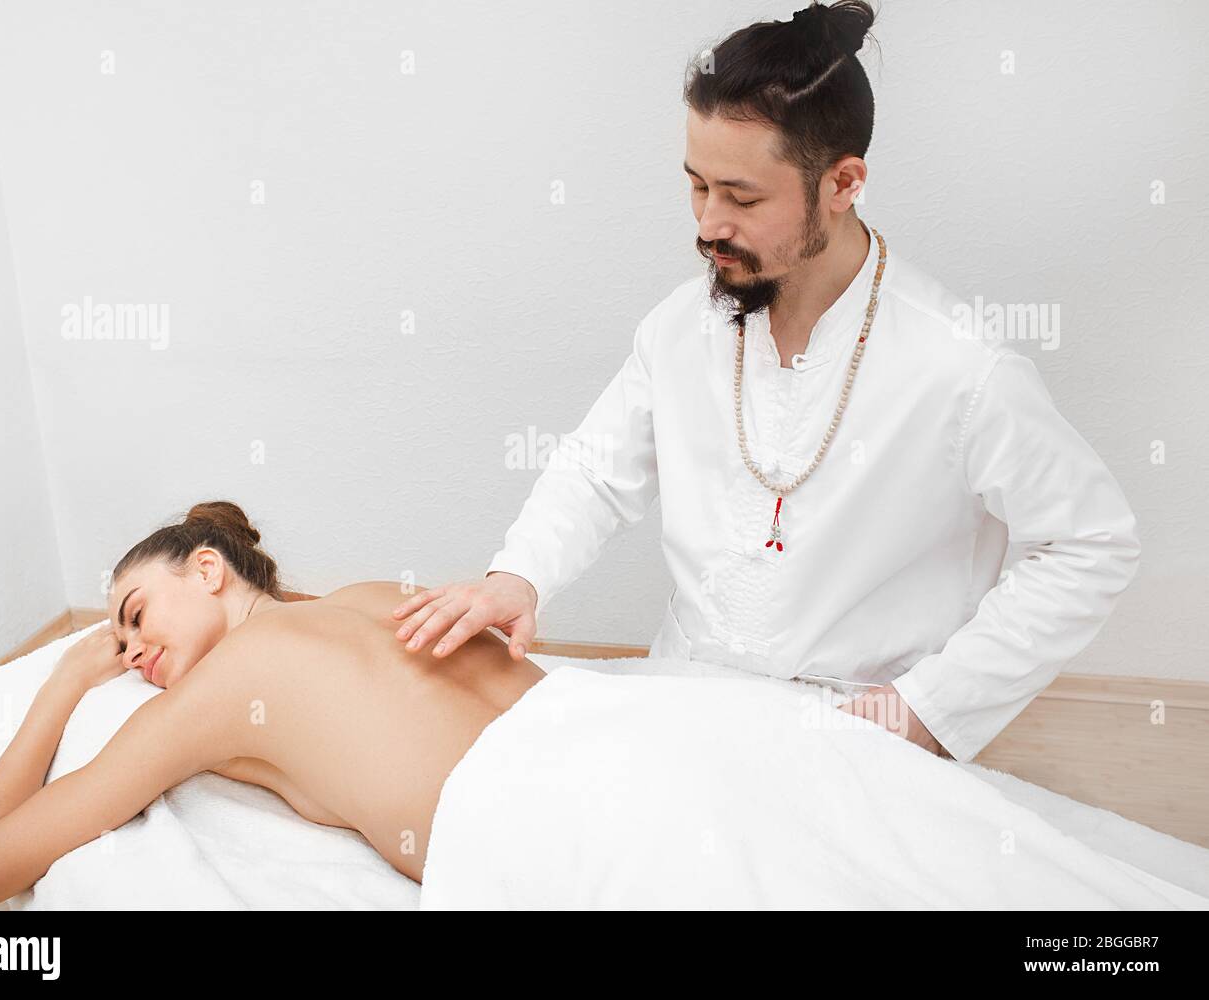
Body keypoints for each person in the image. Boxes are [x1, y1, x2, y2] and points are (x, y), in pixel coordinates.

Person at [390, 0, 1141, 764]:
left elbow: (1091, 544)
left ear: (842, 183)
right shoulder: (682, 326)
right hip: (680, 712)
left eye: (743, 198)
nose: (709, 223)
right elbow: (594, 473)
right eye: (696, 186)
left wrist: (927, 708)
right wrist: (520, 577)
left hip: (853, 746)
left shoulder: (961, 368)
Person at [0, 501, 546, 905]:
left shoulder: (219, 690)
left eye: (135, 616)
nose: (128, 653)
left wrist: (63, 682)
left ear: (207, 568)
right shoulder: (372, 595)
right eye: (119, 644)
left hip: (548, 837)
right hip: (603, 732)